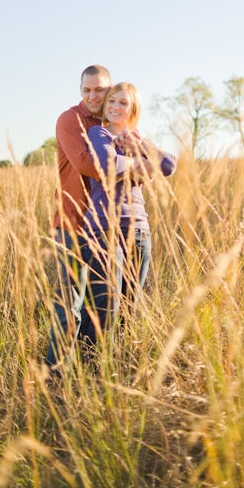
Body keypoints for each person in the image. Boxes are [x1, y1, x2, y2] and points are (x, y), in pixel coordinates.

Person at [80, 82, 176, 347]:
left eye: (123, 103)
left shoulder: (138, 139)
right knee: (106, 305)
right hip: (104, 228)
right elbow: (109, 164)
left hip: (139, 229)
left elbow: (169, 165)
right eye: (111, 101)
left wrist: (140, 143)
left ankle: (120, 366)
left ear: (133, 108)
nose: (115, 107)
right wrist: (143, 163)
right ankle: (91, 368)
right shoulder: (99, 134)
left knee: (130, 306)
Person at [47, 64, 112, 371]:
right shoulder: (69, 120)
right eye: (87, 89)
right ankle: (56, 378)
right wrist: (134, 165)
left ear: (109, 89)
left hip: (105, 227)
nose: (93, 95)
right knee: (68, 307)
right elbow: (85, 164)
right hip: (71, 225)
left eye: (99, 89)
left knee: (100, 307)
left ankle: (88, 374)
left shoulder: (115, 122)